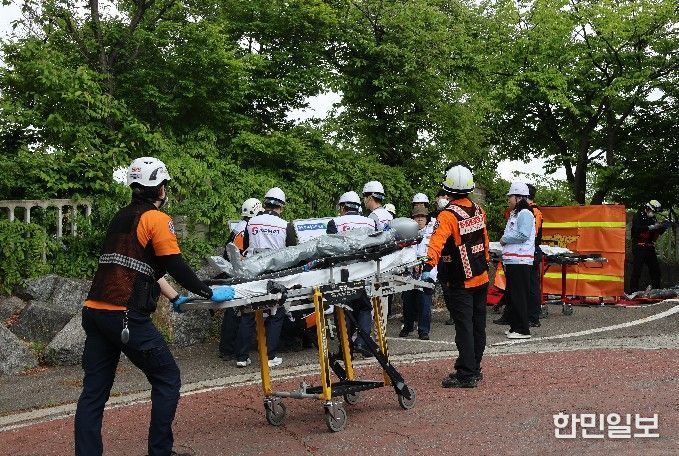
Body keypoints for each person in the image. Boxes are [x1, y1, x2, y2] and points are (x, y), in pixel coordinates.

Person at [75, 157, 234, 456]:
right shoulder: (157, 219)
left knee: (93, 394)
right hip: (125, 316)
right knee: (167, 378)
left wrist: (174, 297)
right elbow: (174, 263)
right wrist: (207, 291)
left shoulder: (120, 217)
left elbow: (141, 267)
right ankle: (160, 452)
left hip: (94, 312)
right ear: (160, 188)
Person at [425, 163, 490, 388]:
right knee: (477, 325)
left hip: (460, 279)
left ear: (447, 189)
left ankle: (466, 374)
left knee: (464, 327)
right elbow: (485, 240)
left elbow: (436, 243)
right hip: (481, 275)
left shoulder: (447, 216)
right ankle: (474, 367)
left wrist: (427, 265)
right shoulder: (479, 210)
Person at [240, 187, 298, 368]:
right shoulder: (286, 225)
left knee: (248, 311)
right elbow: (292, 253)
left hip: (253, 272)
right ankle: (269, 356)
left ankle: (242, 357)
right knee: (276, 311)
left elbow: (246, 247)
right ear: (282, 206)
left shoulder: (251, 223)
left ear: (264, 204)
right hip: (276, 273)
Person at [327, 191, 377, 357]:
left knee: (342, 310)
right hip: (365, 272)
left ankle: (345, 350)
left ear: (343, 207)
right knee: (364, 308)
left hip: (343, 273)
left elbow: (330, 249)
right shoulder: (370, 222)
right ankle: (362, 342)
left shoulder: (335, 222)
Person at [219, 198, 262, 362]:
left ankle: (226, 349)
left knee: (232, 311)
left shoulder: (238, 227)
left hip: (232, 273)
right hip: (242, 274)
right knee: (242, 313)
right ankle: (234, 351)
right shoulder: (247, 228)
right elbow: (243, 254)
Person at [501, 182, 536, 340]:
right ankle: (515, 326)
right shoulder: (516, 213)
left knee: (519, 296)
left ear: (518, 197)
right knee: (513, 296)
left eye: (510, 196)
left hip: (520, 260)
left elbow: (523, 234)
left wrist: (504, 239)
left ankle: (522, 329)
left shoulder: (525, 214)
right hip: (513, 260)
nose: (508, 199)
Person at [399, 205, 433, 340]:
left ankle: (423, 331)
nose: (419, 219)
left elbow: (433, 254)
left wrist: (427, 269)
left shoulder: (432, 234)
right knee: (407, 301)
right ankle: (408, 326)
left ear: (426, 219)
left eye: (422, 217)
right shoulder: (406, 234)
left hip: (426, 272)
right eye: (417, 217)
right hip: (409, 272)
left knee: (424, 303)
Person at [630, 200, 671, 291]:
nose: (653, 213)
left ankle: (656, 290)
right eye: (653, 211)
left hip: (649, 247)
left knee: (655, 270)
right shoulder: (638, 216)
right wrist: (651, 227)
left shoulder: (653, 218)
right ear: (648, 208)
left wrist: (663, 226)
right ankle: (633, 292)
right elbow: (637, 229)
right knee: (637, 270)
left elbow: (657, 232)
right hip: (639, 246)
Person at [526, 184, 543, 327]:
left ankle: (533, 317)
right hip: (527, 251)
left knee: (532, 285)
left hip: (531, 251)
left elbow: (533, 233)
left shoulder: (534, 211)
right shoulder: (528, 211)